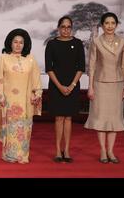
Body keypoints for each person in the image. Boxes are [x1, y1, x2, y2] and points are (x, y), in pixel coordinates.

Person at [85, 12, 124, 164]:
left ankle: (111, 150)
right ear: (102, 25)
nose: (110, 26)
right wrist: (90, 87)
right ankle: (103, 150)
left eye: (112, 23)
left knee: (114, 119)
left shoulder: (123, 42)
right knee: (101, 118)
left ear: (116, 25)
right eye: (107, 23)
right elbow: (91, 65)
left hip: (117, 84)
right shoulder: (96, 42)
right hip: (100, 83)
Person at [0, 28, 42, 164]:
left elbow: (36, 78)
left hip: (26, 100)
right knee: (11, 127)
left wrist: (37, 93)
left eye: (21, 42)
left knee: (24, 128)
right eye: (15, 42)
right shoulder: (3, 58)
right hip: (9, 101)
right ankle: (9, 155)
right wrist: (0, 96)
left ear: (25, 44)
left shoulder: (30, 59)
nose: (18, 45)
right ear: (10, 43)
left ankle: (23, 155)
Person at [45, 16, 85, 163]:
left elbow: (81, 67)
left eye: (69, 27)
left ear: (72, 28)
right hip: (56, 86)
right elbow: (49, 68)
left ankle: (66, 150)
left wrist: (72, 85)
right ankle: (57, 150)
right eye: (63, 27)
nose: (66, 30)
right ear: (58, 28)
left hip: (73, 86)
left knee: (68, 118)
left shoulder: (78, 43)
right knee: (58, 118)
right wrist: (60, 86)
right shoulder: (52, 44)